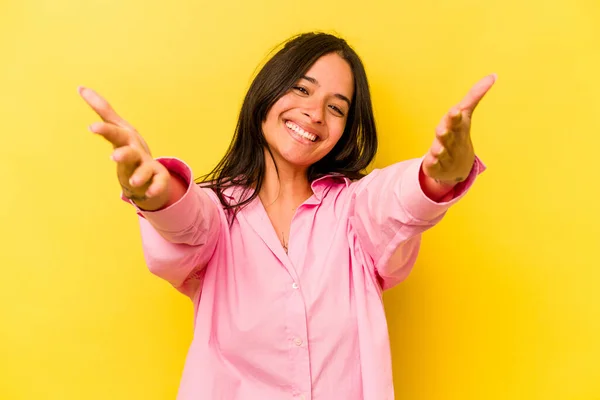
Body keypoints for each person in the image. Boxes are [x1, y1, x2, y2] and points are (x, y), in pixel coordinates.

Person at [79, 32, 495, 400]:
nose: (315, 113)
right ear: (267, 92)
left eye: (337, 108)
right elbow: (188, 220)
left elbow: (395, 203)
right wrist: (156, 193)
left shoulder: (353, 212)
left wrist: (441, 174)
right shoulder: (219, 214)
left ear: (346, 130)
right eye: (301, 89)